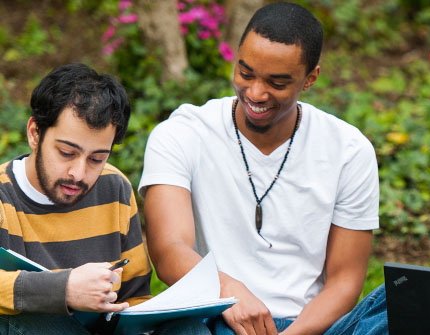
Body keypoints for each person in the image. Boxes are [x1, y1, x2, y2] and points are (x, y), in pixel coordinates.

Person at [139, 2, 388, 335]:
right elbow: (168, 250)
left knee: (395, 303)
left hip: (309, 326)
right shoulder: (182, 133)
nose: (255, 93)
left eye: (277, 82)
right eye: (245, 73)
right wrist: (227, 289)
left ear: (311, 78)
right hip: (215, 315)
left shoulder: (349, 151)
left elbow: (344, 281)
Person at [0, 63, 209, 335]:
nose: (79, 173)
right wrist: (64, 290)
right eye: (66, 152)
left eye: (97, 158)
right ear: (34, 133)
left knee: (189, 329)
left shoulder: (115, 187)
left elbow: (135, 297)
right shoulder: (4, 195)